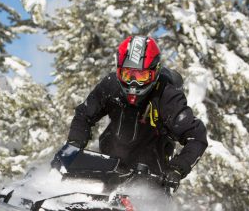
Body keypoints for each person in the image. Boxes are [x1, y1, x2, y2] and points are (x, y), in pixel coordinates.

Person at [52, 35, 208, 191]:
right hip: (110, 165)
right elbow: (84, 114)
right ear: (119, 71)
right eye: (127, 75)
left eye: (141, 76)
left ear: (154, 72)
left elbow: (196, 136)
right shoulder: (111, 85)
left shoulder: (167, 96)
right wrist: (73, 146)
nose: (133, 84)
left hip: (151, 176)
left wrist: (177, 169)